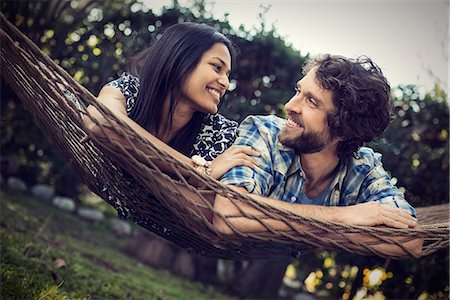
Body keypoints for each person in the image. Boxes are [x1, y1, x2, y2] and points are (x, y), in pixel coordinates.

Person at [213, 54, 423, 257]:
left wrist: (262, 217)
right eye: (298, 91)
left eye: (311, 102)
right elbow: (227, 215)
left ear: (344, 130)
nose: (290, 106)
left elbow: (411, 241)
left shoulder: (363, 168)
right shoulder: (264, 133)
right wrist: (341, 217)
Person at [83, 22, 260, 220]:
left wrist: (128, 146)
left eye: (227, 75)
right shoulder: (130, 90)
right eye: (217, 67)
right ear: (180, 60)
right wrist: (197, 171)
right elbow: (99, 122)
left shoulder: (220, 133)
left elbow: (212, 209)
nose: (226, 83)